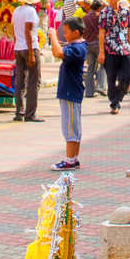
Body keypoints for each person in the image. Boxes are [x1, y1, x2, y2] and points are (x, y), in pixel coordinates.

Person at [48, 17, 87, 171]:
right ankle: (74, 159)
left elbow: (58, 53)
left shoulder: (76, 49)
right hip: (72, 91)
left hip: (70, 92)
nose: (64, 35)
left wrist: (52, 36)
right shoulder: (77, 46)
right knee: (74, 127)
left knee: (70, 127)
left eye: (66, 32)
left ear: (76, 32)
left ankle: (69, 160)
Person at [97, 0, 130, 115]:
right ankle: (114, 104)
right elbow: (101, 33)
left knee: (128, 75)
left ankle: (118, 95)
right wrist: (101, 51)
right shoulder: (104, 12)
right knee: (111, 78)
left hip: (125, 48)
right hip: (110, 49)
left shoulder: (126, 10)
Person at [13, 0, 45, 123]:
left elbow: (15, 32)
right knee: (33, 81)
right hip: (29, 47)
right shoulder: (31, 11)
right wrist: (31, 53)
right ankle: (30, 113)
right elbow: (28, 32)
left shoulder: (16, 10)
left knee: (20, 81)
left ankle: (19, 112)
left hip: (19, 48)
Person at [82, 0, 106, 98]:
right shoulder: (101, 16)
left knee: (90, 68)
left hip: (88, 44)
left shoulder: (84, 18)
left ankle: (88, 92)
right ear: (100, 8)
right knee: (104, 65)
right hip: (99, 44)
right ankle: (100, 86)